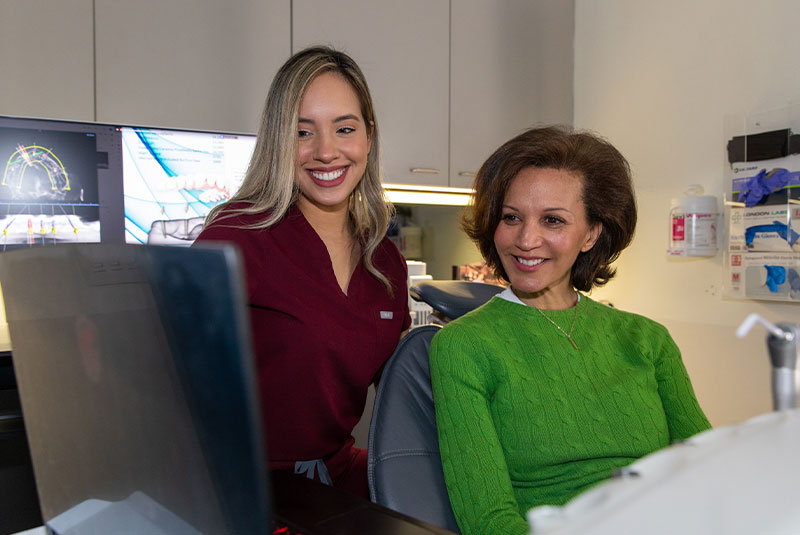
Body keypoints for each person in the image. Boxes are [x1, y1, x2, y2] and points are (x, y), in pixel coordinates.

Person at [429, 126, 711, 534]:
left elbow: (708, 467)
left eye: (553, 220)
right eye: (511, 218)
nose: (527, 240)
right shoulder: (463, 346)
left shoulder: (648, 340)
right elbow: (489, 522)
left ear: (591, 234)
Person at [194, 46, 410, 498]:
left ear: (368, 138)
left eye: (344, 129)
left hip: (332, 479)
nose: (326, 152)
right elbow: (165, 376)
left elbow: (403, 389)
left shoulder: (385, 263)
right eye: (302, 133)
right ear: (279, 141)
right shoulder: (238, 234)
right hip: (241, 486)